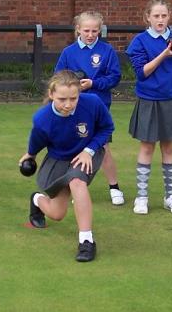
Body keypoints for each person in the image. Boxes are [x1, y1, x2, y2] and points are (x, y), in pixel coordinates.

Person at [19, 70, 114, 262]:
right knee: (57, 213)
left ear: (80, 94)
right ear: (52, 94)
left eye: (73, 98)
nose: (68, 104)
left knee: (77, 181)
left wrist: (89, 150)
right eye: (62, 99)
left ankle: (86, 241)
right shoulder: (42, 118)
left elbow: (106, 127)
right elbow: (37, 142)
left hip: (86, 153)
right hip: (58, 159)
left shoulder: (93, 103)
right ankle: (37, 200)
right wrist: (30, 155)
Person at [125, 0, 172, 215]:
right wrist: (165, 53)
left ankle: (170, 197)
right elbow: (142, 72)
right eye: (156, 16)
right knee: (146, 147)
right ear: (148, 17)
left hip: (171, 100)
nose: (160, 20)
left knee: (169, 147)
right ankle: (142, 197)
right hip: (148, 99)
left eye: (164, 15)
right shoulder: (139, 42)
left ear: (169, 17)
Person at [54, 11, 124, 206]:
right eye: (86, 30)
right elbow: (58, 77)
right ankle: (76, 188)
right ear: (78, 29)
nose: (91, 34)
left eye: (95, 31)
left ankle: (114, 187)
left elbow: (114, 77)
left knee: (102, 147)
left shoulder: (107, 51)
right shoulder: (68, 52)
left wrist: (93, 83)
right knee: (73, 147)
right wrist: (73, 86)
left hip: (98, 107)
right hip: (72, 107)